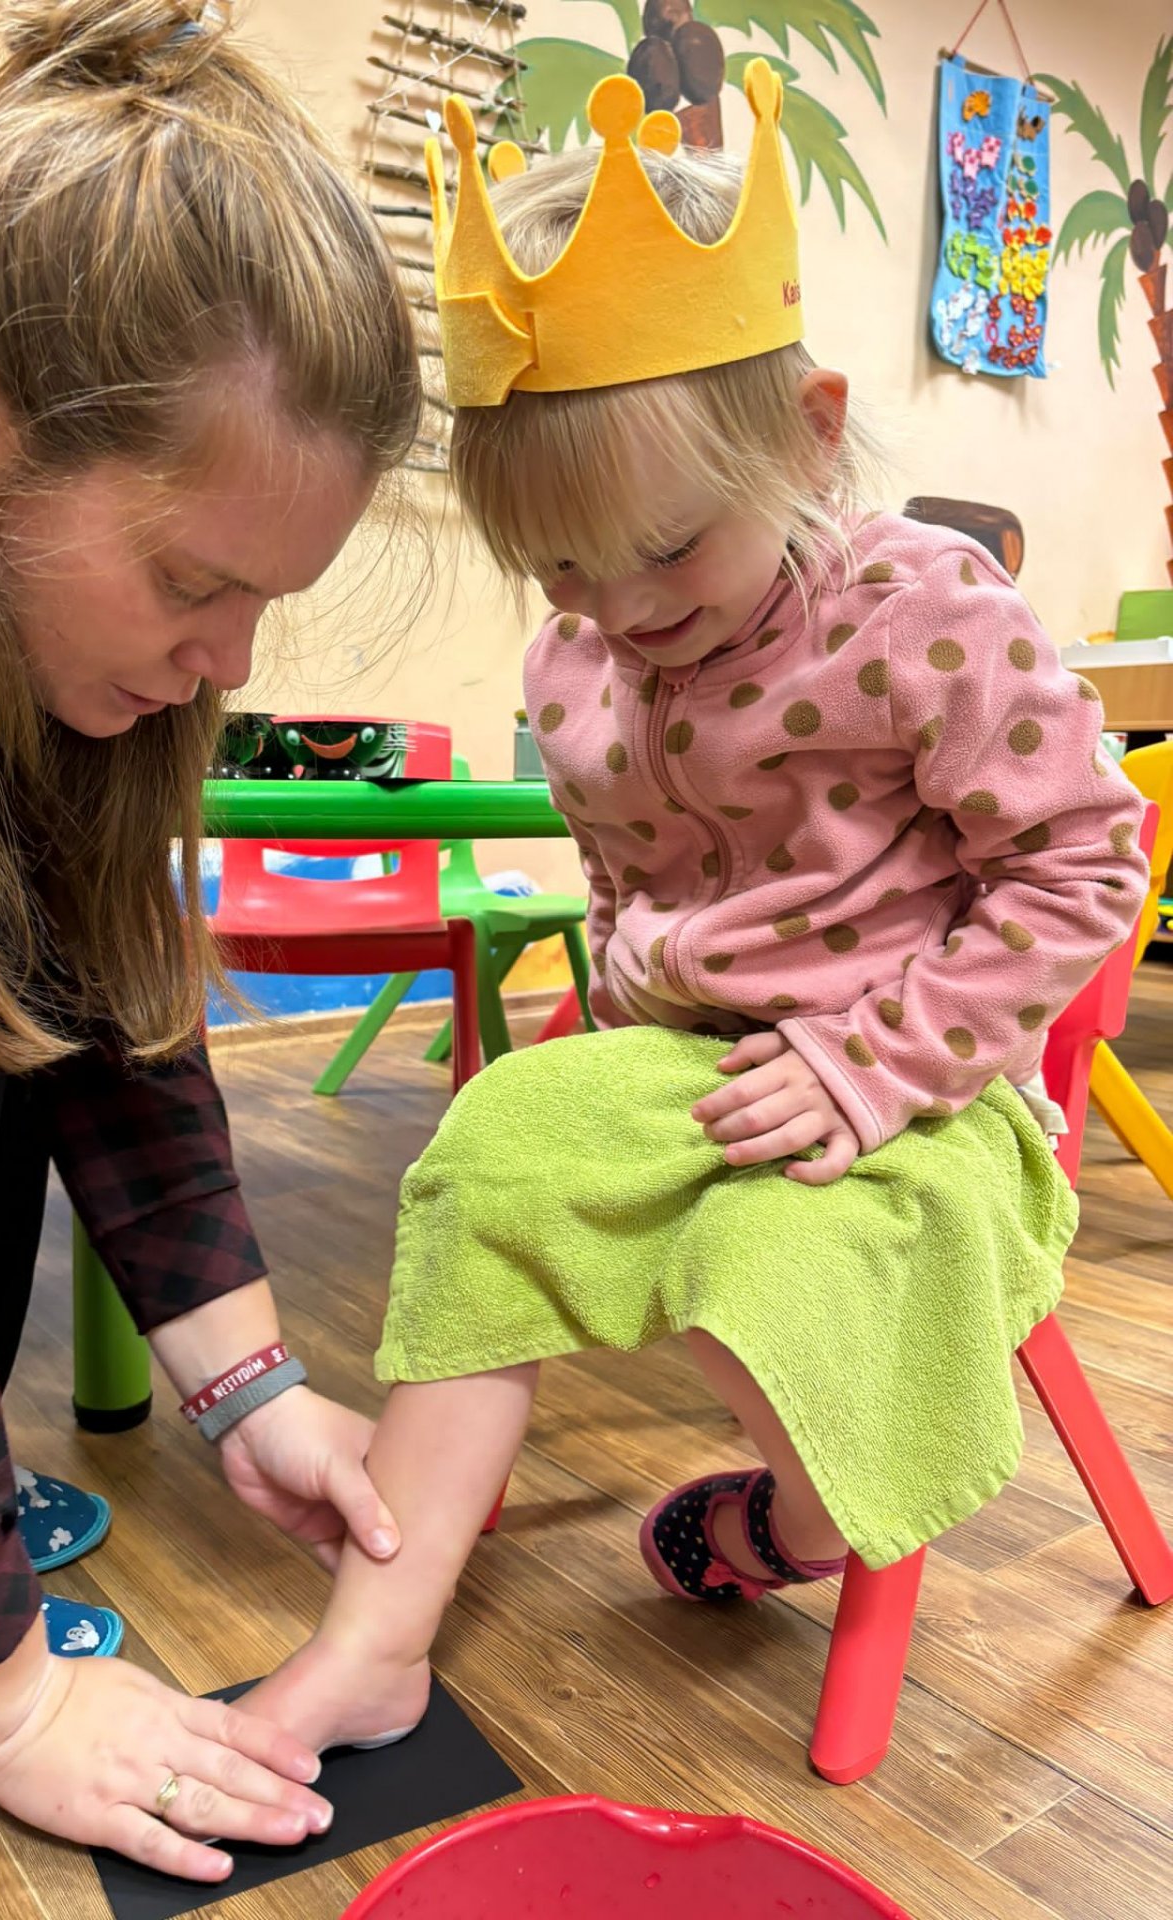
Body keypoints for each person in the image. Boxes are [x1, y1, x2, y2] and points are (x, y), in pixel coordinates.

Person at [238, 67, 1150, 1753]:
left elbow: (1086, 863)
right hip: (701, 1068)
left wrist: (877, 1060)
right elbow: (628, 890)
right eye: (562, 567)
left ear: (809, 433)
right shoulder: (578, 661)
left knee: (767, 1253)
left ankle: (794, 1526)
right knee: (486, 1149)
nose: (620, 609)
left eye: (666, 548)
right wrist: (613, 1046)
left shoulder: (922, 609)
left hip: (932, 1090)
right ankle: (376, 1633)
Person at [0, 0, 422, 1887]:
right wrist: (11, 1696)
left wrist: (248, 1384)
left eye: (265, 601)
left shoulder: (21, 556)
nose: (227, 664)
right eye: (195, 585)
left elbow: (113, 994)